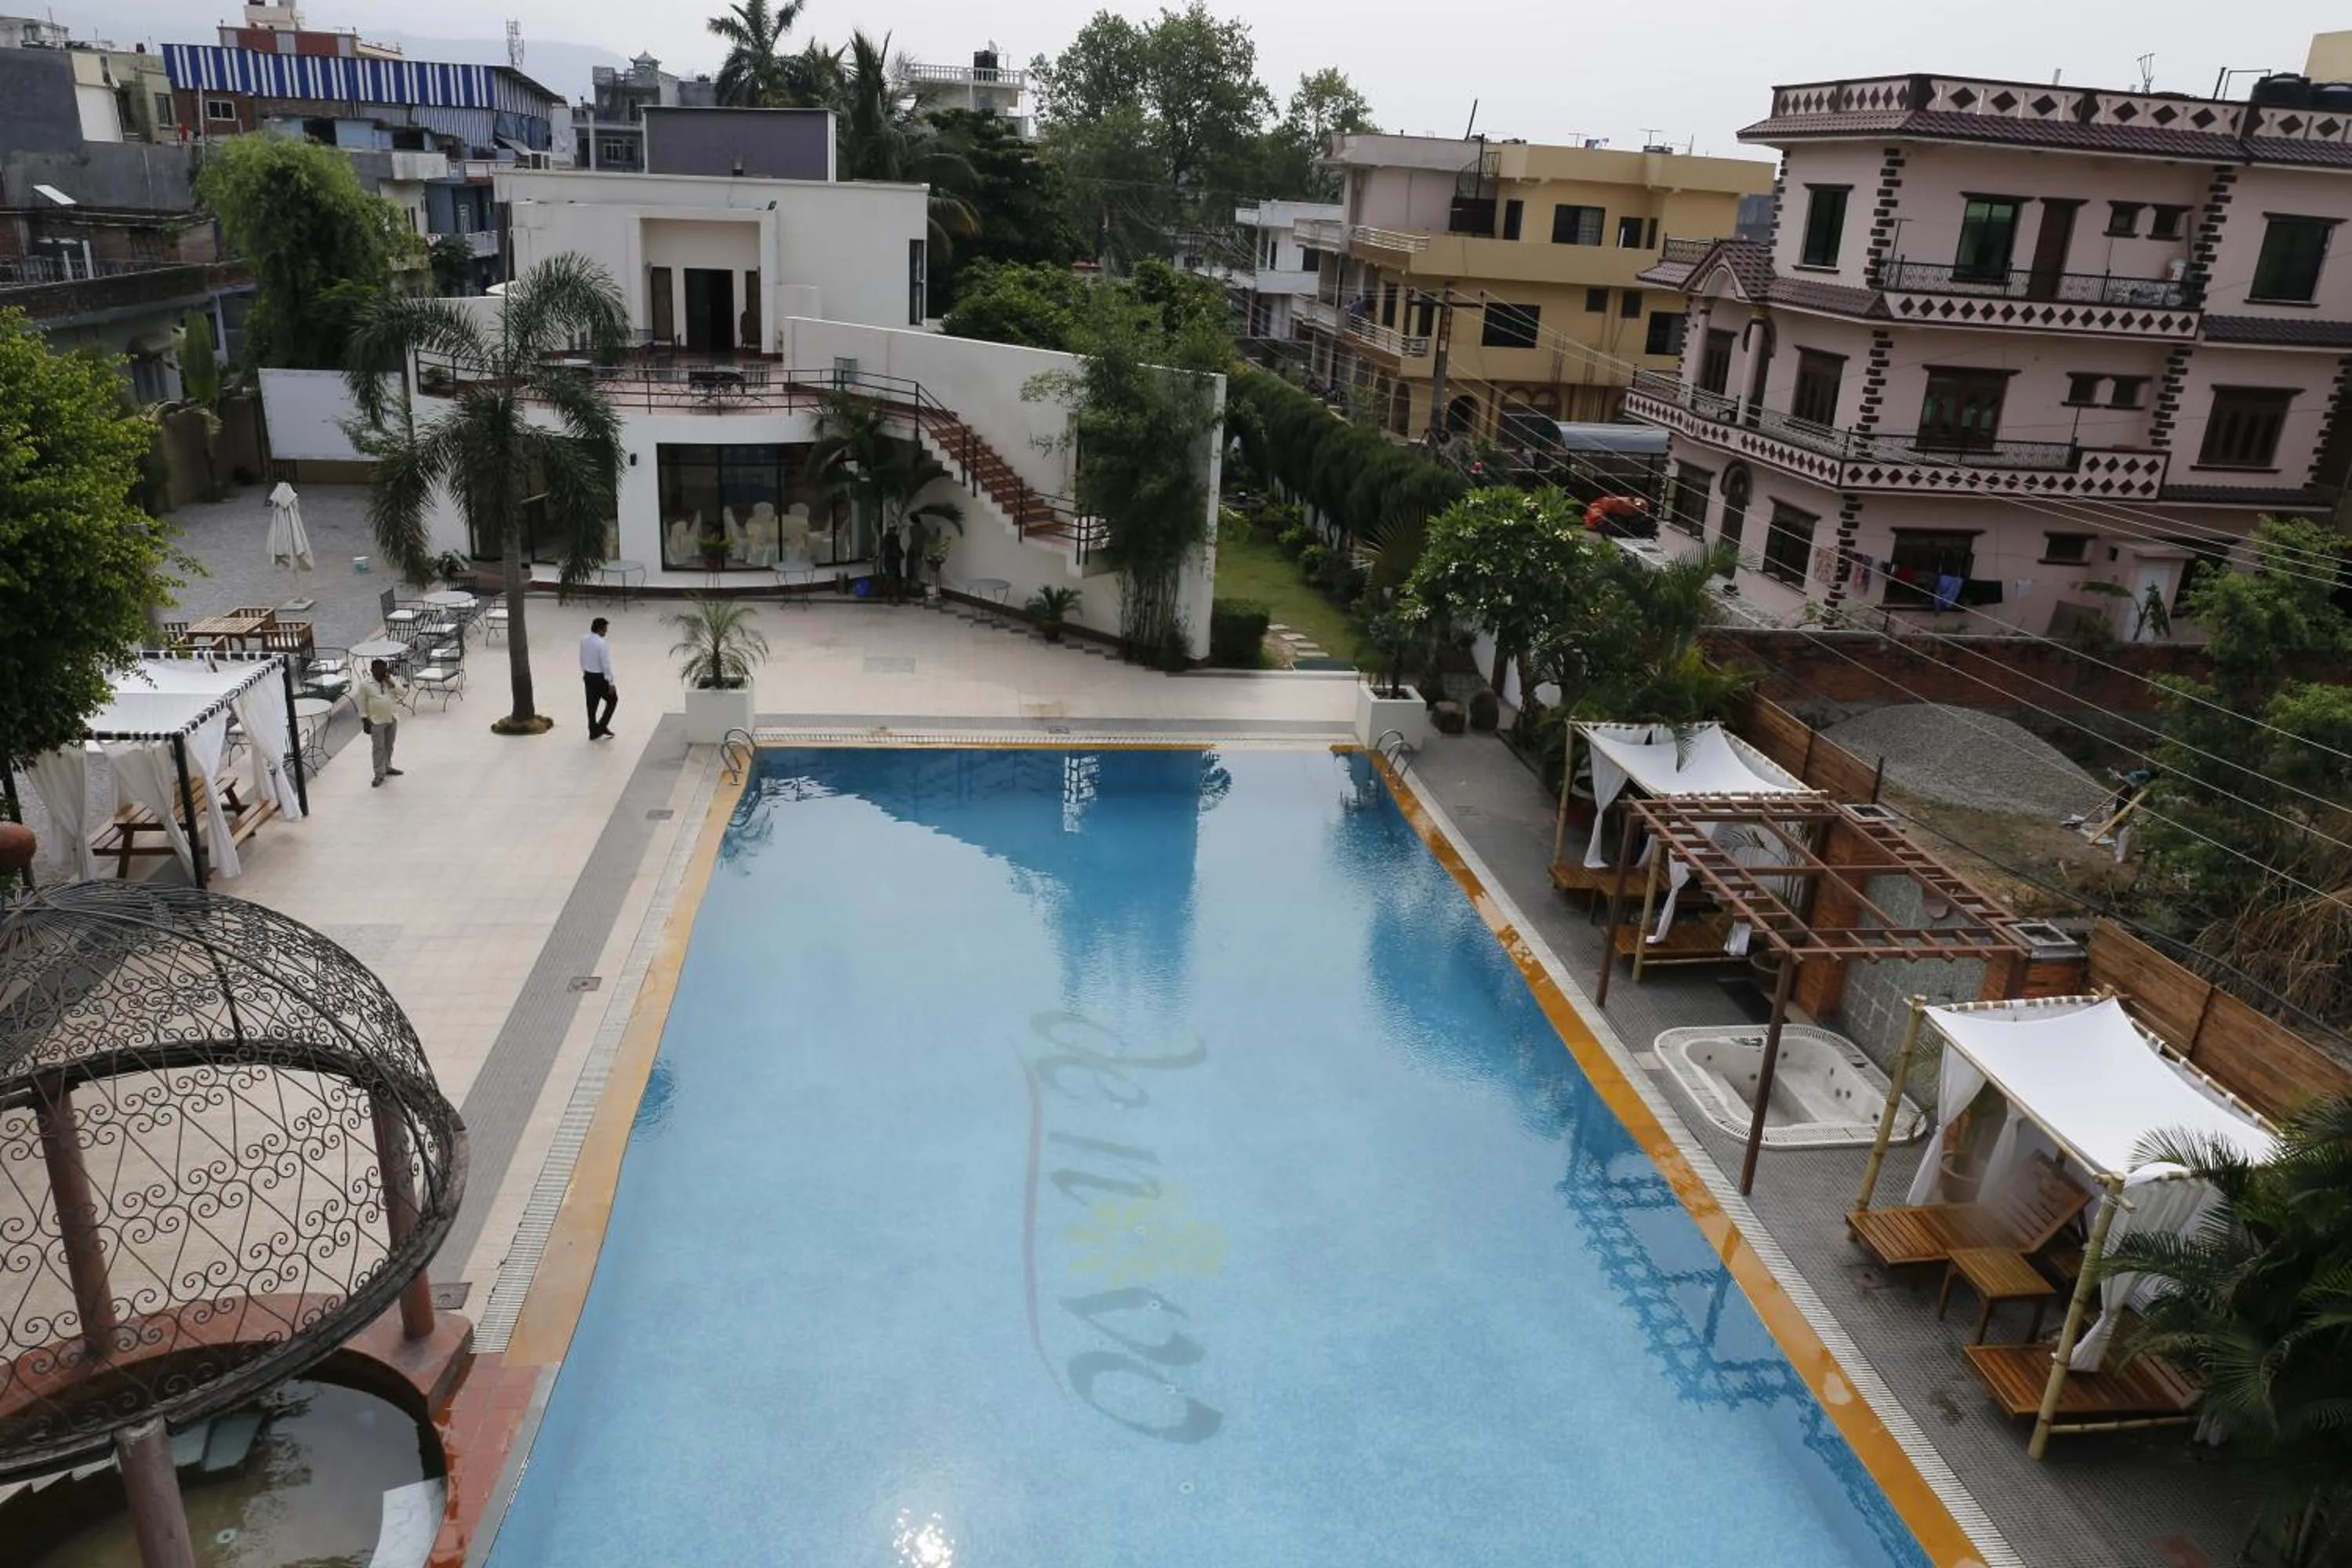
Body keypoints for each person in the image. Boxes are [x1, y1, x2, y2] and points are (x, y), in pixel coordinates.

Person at [356, 660, 405, 787]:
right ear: (372, 670)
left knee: (389, 745)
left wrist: (391, 683)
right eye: (379, 669)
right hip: (376, 721)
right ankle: (379, 774)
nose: (382, 672)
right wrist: (364, 720)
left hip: (391, 718)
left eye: (384, 669)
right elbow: (361, 704)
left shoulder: (390, 680)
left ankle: (388, 767)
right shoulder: (365, 684)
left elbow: (402, 693)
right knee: (378, 748)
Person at [581, 617, 619, 739]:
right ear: (599, 629)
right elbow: (605, 664)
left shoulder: (584, 639)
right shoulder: (601, 644)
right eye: (605, 629)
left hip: (588, 676)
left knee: (591, 705)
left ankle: (593, 730)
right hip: (599, 677)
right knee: (612, 699)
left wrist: (584, 672)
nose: (606, 632)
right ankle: (602, 726)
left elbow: (582, 657)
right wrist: (611, 682)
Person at [879, 527, 906, 605]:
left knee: (892, 578)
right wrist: (900, 554)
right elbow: (896, 548)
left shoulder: (887, 538)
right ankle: (894, 597)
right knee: (893, 579)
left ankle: (890, 597)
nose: (894, 531)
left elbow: (884, 549)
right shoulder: (892, 538)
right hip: (893, 560)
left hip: (891, 561)